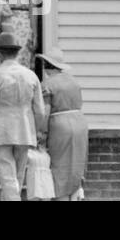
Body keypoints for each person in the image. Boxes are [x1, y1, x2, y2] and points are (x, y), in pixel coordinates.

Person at [0, 32, 47, 201]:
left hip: (1, 130)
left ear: (0, 54)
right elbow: (40, 110)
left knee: (8, 177)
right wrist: (39, 131)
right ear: (17, 53)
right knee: (18, 176)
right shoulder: (31, 76)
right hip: (25, 129)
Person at [38, 47, 88, 201]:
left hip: (60, 125)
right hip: (80, 123)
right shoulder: (74, 81)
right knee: (76, 164)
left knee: (59, 166)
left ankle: (61, 197)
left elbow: (44, 112)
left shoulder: (47, 84)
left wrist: (41, 134)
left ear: (47, 66)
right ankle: (75, 195)